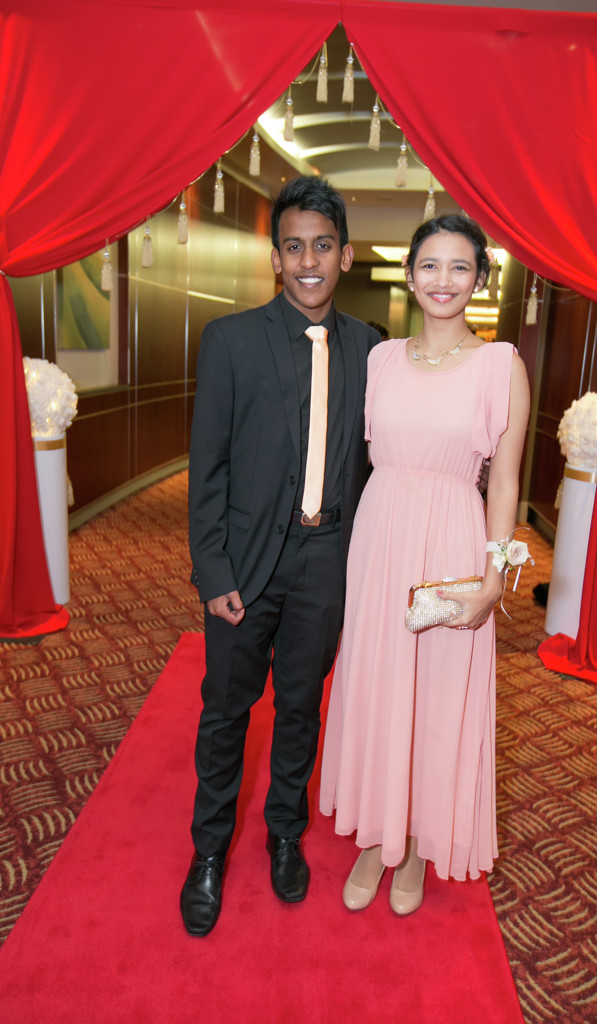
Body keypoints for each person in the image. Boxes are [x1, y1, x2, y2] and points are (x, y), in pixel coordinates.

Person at [181, 176, 380, 936]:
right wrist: (214, 572)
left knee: (300, 707)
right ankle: (207, 852)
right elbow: (208, 469)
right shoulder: (230, 341)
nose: (308, 261)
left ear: (345, 256)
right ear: (275, 258)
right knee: (226, 712)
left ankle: (285, 834)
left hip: (327, 558)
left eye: (322, 246)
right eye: (293, 247)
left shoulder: (372, 350)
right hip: (244, 565)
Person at [319, 214, 530, 915]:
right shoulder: (380, 359)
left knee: (435, 695)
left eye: (460, 266)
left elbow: (504, 481)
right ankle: (378, 833)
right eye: (430, 265)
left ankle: (414, 842)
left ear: (480, 279)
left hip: (451, 542)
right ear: (409, 275)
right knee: (378, 685)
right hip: (380, 539)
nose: (444, 280)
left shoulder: (501, 367)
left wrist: (494, 578)